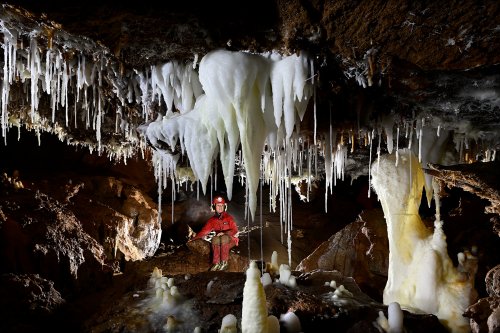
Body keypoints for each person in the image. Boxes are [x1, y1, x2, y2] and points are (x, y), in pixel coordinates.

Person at [189, 196, 239, 271]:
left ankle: (224, 262)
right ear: (214, 206)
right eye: (218, 205)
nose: (220, 207)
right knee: (215, 239)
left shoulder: (229, 218)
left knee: (223, 238)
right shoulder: (212, 220)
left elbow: (235, 230)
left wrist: (224, 233)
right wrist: (193, 239)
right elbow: (204, 232)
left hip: (231, 239)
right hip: (219, 239)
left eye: (222, 205)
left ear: (224, 207)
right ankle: (216, 263)